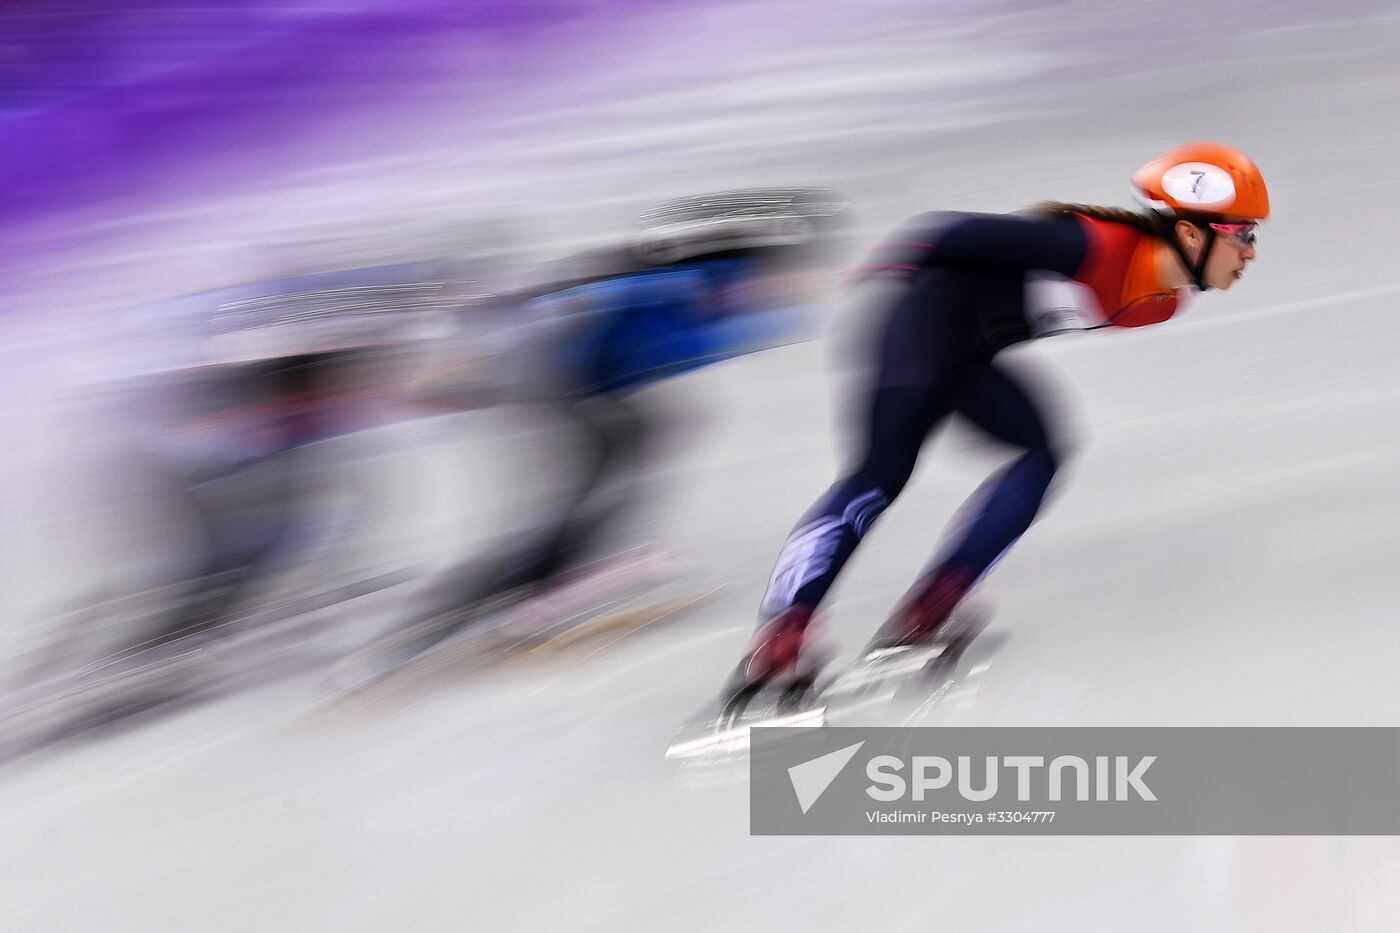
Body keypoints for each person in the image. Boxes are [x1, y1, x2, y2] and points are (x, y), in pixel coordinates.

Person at [731, 142, 1269, 694]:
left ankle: (929, 609)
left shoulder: (1160, 302)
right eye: (1243, 234)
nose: (1250, 252)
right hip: (913, 331)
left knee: (1042, 454)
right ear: (1190, 234)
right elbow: (943, 232)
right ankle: (782, 635)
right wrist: (878, 279)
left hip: (967, 356)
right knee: (880, 474)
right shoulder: (1093, 244)